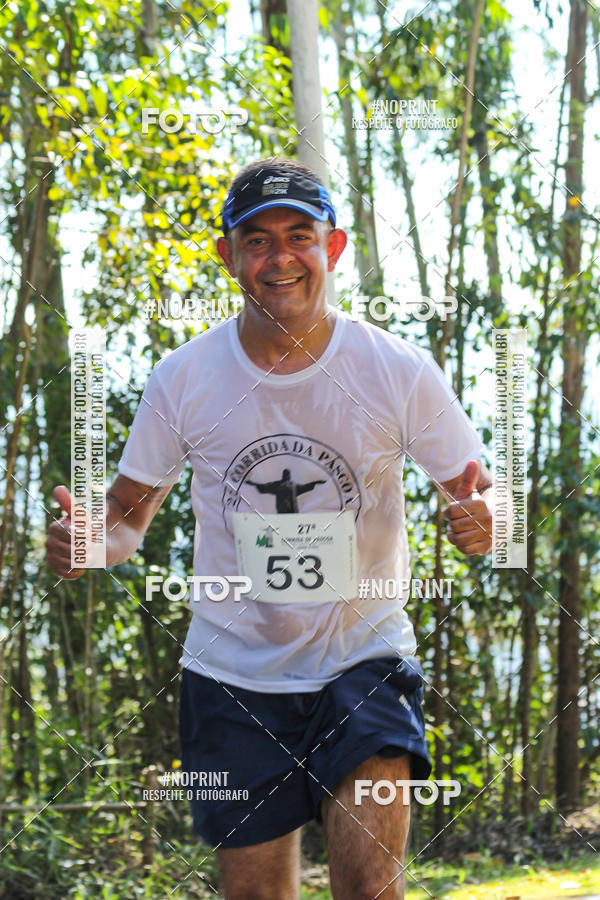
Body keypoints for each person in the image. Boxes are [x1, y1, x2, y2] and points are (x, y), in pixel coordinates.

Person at [46, 157, 493, 899]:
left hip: (364, 660)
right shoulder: (184, 378)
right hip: (231, 677)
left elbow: (485, 492)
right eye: (256, 240)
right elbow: (128, 517)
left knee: (371, 883)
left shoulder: (395, 369)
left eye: (299, 236)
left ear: (334, 248)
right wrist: (94, 540)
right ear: (228, 255)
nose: (279, 257)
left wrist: (488, 522)